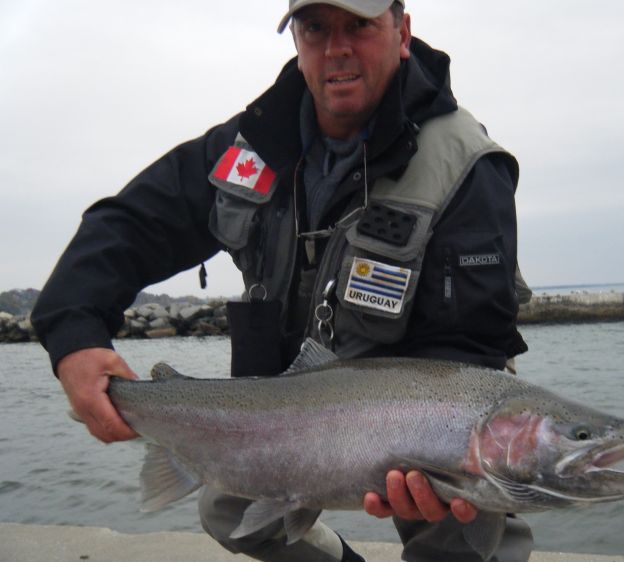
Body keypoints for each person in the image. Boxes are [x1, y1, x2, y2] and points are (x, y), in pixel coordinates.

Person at [31, 1, 531, 560]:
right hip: (292, 404)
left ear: (403, 31)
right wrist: (74, 334)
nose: (336, 48)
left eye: (359, 25)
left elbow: (471, 345)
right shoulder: (249, 146)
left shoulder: (465, 164)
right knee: (231, 512)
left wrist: (420, 449)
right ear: (295, 37)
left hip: (424, 412)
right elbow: (128, 224)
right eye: (316, 28)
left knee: (464, 528)